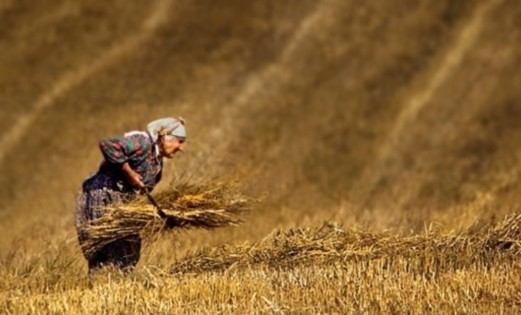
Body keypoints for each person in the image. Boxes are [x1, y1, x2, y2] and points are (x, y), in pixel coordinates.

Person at [75, 117, 186, 272]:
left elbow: (142, 192)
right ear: (164, 136)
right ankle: (101, 280)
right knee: (107, 245)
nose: (181, 147)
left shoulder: (157, 165)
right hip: (103, 193)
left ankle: (117, 282)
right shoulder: (142, 143)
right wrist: (129, 173)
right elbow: (108, 144)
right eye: (179, 141)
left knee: (128, 247)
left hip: (122, 199)